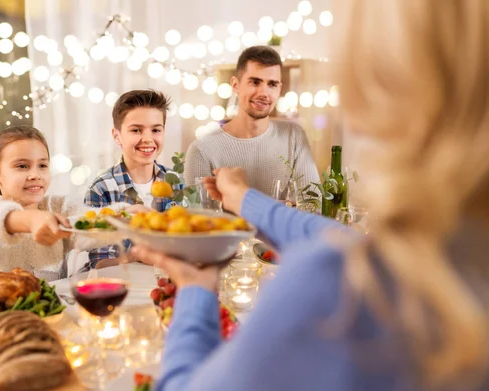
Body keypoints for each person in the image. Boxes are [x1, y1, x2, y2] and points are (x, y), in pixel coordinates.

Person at [131, 1, 489, 390]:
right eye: (256, 81)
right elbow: (342, 240)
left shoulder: (333, 282)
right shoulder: (449, 252)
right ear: (235, 85)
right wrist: (246, 199)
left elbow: (326, 229)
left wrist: (196, 291)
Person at [183, 45, 319, 196]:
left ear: (279, 89)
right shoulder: (202, 150)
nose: (264, 93)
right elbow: (198, 216)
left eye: (272, 84)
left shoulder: (294, 135)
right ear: (235, 85)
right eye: (255, 82)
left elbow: (312, 202)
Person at [0, 125, 79, 281]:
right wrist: (31, 220)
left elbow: (94, 223)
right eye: (22, 166)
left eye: (42, 165)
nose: (35, 175)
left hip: (53, 304)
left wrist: (118, 216)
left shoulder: (59, 206)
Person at [84, 89, 179, 269]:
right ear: (117, 135)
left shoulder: (176, 182)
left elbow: (190, 244)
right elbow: (98, 263)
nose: (148, 139)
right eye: (136, 130)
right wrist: (138, 256)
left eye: (156, 130)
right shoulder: (101, 189)